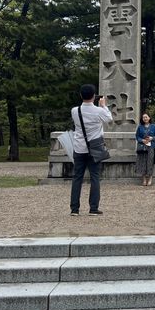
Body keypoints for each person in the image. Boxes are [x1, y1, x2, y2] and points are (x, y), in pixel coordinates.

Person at [70, 84, 112, 216]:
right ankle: (93, 208)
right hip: (95, 148)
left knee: (77, 178)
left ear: (81, 95)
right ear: (94, 96)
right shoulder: (99, 111)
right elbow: (109, 118)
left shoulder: (74, 111)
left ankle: (74, 209)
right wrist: (103, 105)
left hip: (79, 147)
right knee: (94, 177)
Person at [135, 112, 155, 186]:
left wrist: (152, 138)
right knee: (142, 162)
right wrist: (142, 140)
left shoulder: (154, 126)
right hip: (142, 147)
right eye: (143, 117)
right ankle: (144, 179)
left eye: (146, 117)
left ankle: (150, 179)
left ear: (149, 118)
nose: (145, 118)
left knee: (150, 162)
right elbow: (137, 136)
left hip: (151, 146)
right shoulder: (140, 127)